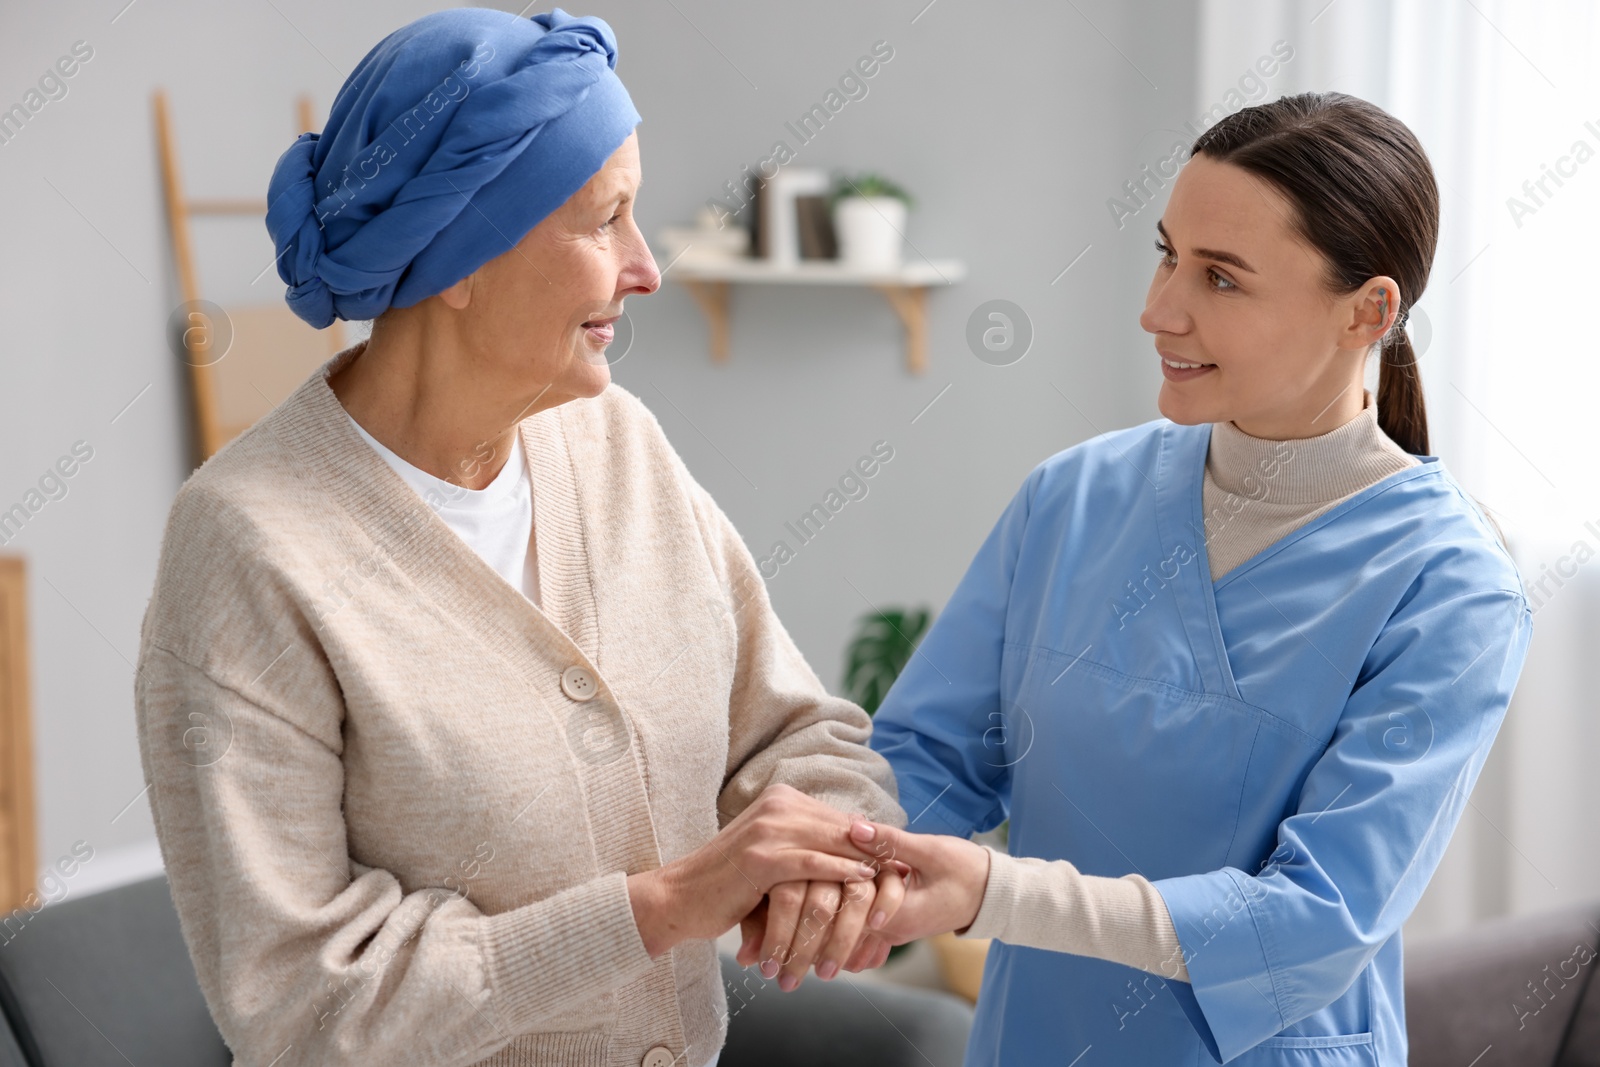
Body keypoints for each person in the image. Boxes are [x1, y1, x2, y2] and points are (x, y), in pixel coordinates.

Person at [133, 9, 905, 1067]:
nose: (646, 268)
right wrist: (667, 904)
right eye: (606, 221)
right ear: (462, 257)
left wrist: (822, 848)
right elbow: (305, 1005)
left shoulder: (616, 440)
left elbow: (790, 732)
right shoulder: (250, 545)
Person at [858, 92, 1534, 1066]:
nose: (1158, 308)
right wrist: (829, 867)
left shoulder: (1447, 584)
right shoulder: (1073, 496)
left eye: (1219, 277)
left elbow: (1315, 916)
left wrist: (991, 891)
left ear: (1368, 310)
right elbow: (928, 755)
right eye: (1167, 253)